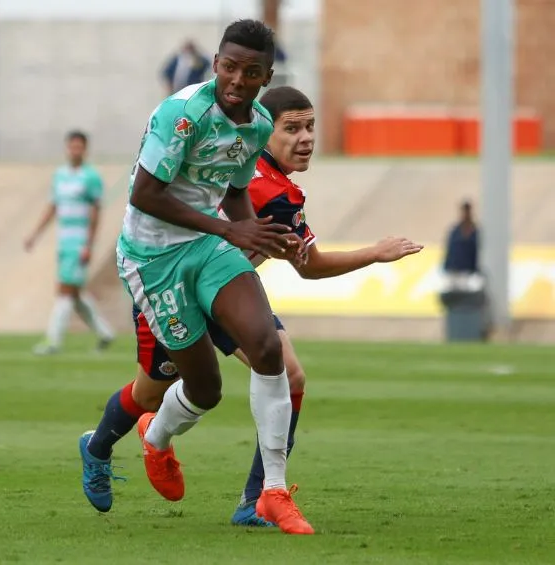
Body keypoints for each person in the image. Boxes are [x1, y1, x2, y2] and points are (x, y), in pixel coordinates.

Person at [79, 86, 424, 528]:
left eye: (311, 127)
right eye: (292, 128)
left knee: (286, 370)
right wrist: (374, 252)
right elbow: (310, 265)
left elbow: (306, 262)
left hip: (227, 291)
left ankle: (258, 496)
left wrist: (371, 254)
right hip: (173, 281)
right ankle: (98, 448)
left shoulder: (276, 187)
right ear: (267, 132)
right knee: (150, 392)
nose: (306, 138)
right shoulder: (251, 175)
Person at [100, 18, 315, 534]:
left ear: (266, 77)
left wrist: (249, 230)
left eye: (252, 72)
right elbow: (145, 196)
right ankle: (151, 440)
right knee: (205, 388)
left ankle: (273, 493)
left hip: (206, 247)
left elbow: (237, 187)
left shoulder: (258, 123)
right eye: (229, 67)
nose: (238, 80)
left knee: (270, 351)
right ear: (216, 62)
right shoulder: (182, 114)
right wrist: (231, 229)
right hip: (152, 257)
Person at [25, 131, 115, 355]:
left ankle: (53, 341)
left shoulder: (91, 177)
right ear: (67, 148)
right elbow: (52, 207)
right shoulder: (60, 175)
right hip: (63, 241)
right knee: (74, 293)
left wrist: (89, 244)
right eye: (72, 146)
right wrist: (35, 234)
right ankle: (105, 333)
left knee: (64, 291)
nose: (75, 150)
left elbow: (96, 212)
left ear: (85, 149)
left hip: (79, 241)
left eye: (79, 147)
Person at [443, 200, 479, 275]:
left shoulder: (476, 231)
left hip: (470, 271)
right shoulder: (455, 231)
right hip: (454, 270)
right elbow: (450, 251)